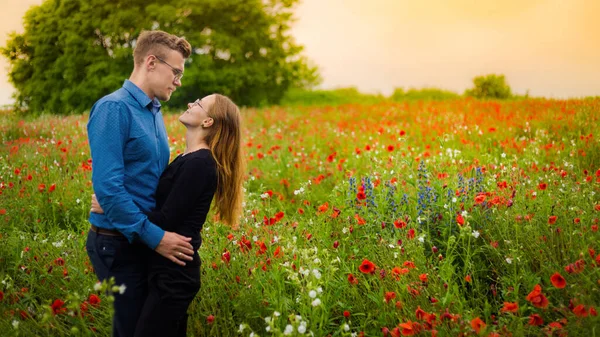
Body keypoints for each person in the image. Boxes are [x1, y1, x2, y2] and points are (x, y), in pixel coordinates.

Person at [92, 94, 245, 337]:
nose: (189, 104)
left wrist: (112, 208)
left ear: (208, 122)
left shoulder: (201, 163)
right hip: (164, 267)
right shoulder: (188, 158)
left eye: (198, 104)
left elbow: (166, 220)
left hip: (175, 275)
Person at [86, 30, 196, 337]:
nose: (179, 81)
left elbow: (144, 179)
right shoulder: (114, 108)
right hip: (117, 243)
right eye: (176, 72)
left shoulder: (153, 111)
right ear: (151, 62)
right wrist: (157, 238)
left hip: (141, 236)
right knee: (133, 330)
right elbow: (109, 188)